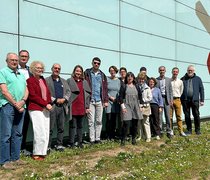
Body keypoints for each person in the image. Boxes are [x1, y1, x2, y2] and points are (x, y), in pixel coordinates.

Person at [0, 53, 28, 169]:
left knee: (17, 133)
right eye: (12, 60)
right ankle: (4, 161)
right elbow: (4, 91)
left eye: (16, 60)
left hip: (21, 106)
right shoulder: (3, 72)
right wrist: (16, 104)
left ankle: (15, 158)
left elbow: (27, 89)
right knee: (5, 135)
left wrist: (23, 100)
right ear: (7, 61)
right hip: (8, 106)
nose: (14, 62)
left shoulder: (21, 74)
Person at [27, 61, 52, 160]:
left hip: (45, 108)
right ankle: (36, 153)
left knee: (46, 130)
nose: (39, 69)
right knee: (39, 131)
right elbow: (33, 96)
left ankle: (43, 151)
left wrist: (49, 103)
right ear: (33, 69)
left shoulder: (43, 80)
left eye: (41, 68)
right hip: (35, 108)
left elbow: (48, 93)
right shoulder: (30, 80)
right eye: (37, 68)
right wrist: (45, 104)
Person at [45, 63, 71, 151]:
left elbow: (68, 91)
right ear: (52, 69)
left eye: (58, 69)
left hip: (62, 107)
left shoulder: (63, 81)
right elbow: (45, 93)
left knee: (61, 127)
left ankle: (59, 144)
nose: (57, 70)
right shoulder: (47, 80)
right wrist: (55, 100)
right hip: (52, 106)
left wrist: (64, 99)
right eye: (55, 68)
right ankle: (48, 146)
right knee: (50, 128)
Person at [84, 57, 108, 144]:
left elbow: (105, 89)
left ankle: (97, 138)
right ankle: (92, 139)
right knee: (91, 121)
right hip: (90, 101)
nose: (96, 64)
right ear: (92, 63)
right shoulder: (87, 73)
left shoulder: (102, 75)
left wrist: (105, 100)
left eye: (98, 63)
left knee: (99, 121)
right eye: (95, 63)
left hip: (99, 101)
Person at [67, 65, 91, 148]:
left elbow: (88, 95)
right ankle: (71, 143)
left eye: (80, 71)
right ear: (74, 71)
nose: (78, 73)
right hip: (73, 107)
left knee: (80, 126)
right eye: (77, 71)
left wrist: (87, 107)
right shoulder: (70, 81)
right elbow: (66, 93)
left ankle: (80, 142)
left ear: (82, 73)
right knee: (72, 126)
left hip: (82, 107)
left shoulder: (84, 82)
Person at [119, 72, 143, 146]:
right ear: (126, 78)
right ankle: (123, 139)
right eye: (128, 76)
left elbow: (140, 96)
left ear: (133, 78)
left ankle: (133, 139)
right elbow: (120, 97)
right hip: (127, 106)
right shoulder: (124, 86)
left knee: (135, 123)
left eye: (131, 76)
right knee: (126, 123)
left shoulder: (137, 86)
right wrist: (123, 107)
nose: (130, 78)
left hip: (136, 106)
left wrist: (141, 106)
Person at [181, 65, 204, 135]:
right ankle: (189, 130)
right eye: (189, 70)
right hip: (185, 100)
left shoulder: (198, 79)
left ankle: (197, 130)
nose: (190, 71)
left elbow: (201, 89)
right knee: (187, 116)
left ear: (194, 71)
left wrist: (202, 100)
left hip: (195, 100)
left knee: (196, 115)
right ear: (187, 71)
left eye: (191, 70)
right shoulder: (183, 79)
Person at [18, 50, 32, 156]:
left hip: (28, 101)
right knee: (15, 126)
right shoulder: (13, 69)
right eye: (22, 56)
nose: (24, 58)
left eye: (26, 56)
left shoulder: (29, 70)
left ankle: (22, 147)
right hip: (16, 101)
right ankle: (13, 149)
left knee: (25, 125)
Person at [156, 66, 174, 138]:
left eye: (163, 70)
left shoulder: (168, 80)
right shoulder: (156, 80)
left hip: (167, 99)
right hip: (159, 100)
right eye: (160, 70)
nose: (162, 71)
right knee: (159, 116)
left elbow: (170, 90)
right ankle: (160, 131)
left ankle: (169, 131)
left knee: (167, 116)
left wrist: (171, 100)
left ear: (165, 71)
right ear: (159, 71)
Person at [105, 66, 121, 140]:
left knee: (114, 119)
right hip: (109, 101)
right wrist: (110, 97)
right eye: (111, 70)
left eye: (114, 70)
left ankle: (113, 135)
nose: (112, 72)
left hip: (116, 102)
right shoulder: (107, 79)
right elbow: (105, 90)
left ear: (116, 71)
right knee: (108, 119)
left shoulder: (118, 81)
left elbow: (120, 91)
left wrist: (117, 99)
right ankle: (108, 135)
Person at [170, 67, 186, 137]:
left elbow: (181, 91)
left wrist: (177, 97)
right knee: (170, 117)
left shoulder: (180, 81)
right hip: (170, 100)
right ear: (172, 72)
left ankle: (181, 131)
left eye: (176, 72)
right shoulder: (169, 81)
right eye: (174, 71)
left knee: (179, 116)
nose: (175, 73)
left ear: (178, 73)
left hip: (177, 99)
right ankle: (171, 131)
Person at [137, 72, 152, 142]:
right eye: (140, 79)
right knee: (139, 122)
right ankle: (140, 136)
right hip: (138, 107)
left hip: (146, 107)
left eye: (142, 79)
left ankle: (148, 137)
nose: (141, 80)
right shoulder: (136, 87)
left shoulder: (147, 88)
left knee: (146, 122)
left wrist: (143, 100)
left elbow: (150, 98)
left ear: (144, 79)